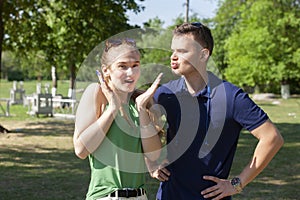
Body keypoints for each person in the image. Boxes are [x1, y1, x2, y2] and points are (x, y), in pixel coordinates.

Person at [148, 22, 284, 200]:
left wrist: (237, 183)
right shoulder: (165, 93)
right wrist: (151, 163)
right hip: (168, 195)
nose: (173, 57)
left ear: (203, 55)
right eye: (173, 51)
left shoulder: (231, 96)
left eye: (182, 51)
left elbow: (272, 138)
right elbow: (143, 125)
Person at [73, 38, 163, 200]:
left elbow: (153, 154)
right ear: (106, 70)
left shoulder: (140, 101)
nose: (131, 73)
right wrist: (113, 109)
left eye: (135, 65)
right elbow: (81, 150)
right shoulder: (96, 93)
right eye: (122, 66)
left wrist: (142, 109)